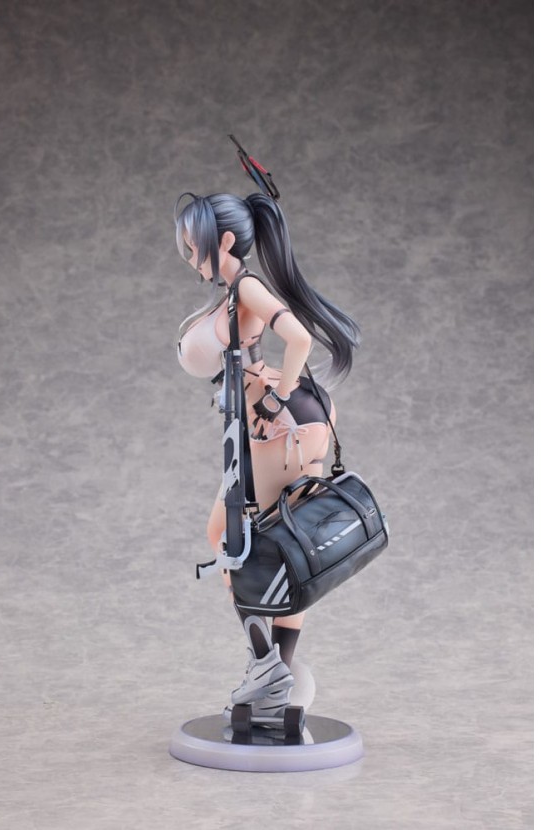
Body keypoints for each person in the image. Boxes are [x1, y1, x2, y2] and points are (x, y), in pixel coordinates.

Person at [175, 190, 359, 720]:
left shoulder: (247, 287)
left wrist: (277, 398)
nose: (190, 255)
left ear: (224, 241)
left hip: (285, 427)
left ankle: (272, 670)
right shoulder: (231, 291)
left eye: (195, 244)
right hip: (269, 427)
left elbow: (298, 339)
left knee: (251, 543)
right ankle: (273, 668)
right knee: (231, 536)